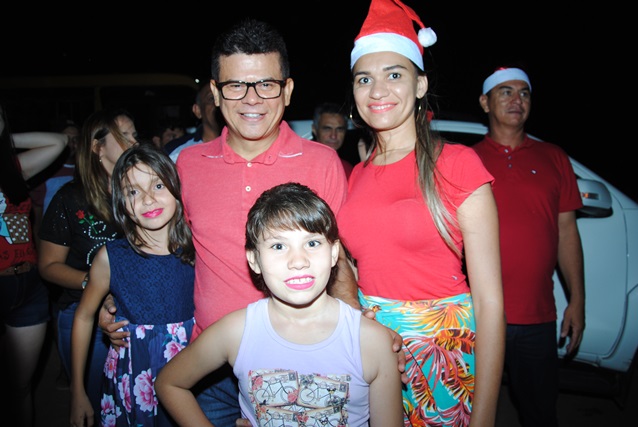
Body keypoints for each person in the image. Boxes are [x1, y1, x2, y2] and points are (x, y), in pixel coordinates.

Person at [99, 18, 405, 427]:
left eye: (266, 84)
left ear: (288, 90)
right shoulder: (187, 164)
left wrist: (357, 326)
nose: (252, 99)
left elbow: (341, 254)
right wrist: (115, 294)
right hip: (208, 366)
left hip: (297, 366)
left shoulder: (323, 162)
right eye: (236, 86)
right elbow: (159, 242)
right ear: (215, 93)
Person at [336, 0, 506, 425]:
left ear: (420, 85)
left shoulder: (458, 164)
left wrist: (484, 416)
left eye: (395, 75)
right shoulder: (356, 176)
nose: (378, 91)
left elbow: (490, 303)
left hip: (443, 357)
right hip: (374, 356)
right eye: (364, 79)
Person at [155, 182, 403, 426]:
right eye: (278, 246)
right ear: (254, 260)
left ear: (333, 253)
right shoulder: (236, 332)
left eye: (312, 243)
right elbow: (169, 383)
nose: (298, 261)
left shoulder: (372, 341)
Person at [472, 66, 585, 427]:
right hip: (475, 316)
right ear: (485, 102)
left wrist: (578, 300)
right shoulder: (466, 160)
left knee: (540, 414)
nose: (516, 100)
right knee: (469, 412)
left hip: (538, 317)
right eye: (505, 92)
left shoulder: (554, 157)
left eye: (524, 93)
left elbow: (567, 232)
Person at [70, 143, 195, 427]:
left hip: (190, 372)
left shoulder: (198, 248)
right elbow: (84, 316)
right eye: (133, 192)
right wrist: (77, 390)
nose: (148, 199)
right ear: (121, 202)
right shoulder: (110, 258)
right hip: (133, 376)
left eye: (158, 186)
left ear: (176, 187)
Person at [38, 108, 138, 424]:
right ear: (97, 147)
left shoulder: (142, 193)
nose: (135, 142)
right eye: (125, 135)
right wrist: (95, 285)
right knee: (93, 403)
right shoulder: (70, 198)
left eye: (135, 134)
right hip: (80, 314)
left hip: (133, 313)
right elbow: (49, 265)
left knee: (132, 403)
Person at [0, 101, 68, 427]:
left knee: (20, 388)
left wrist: (6, 140)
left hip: (28, 286)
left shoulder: (12, 168)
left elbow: (58, 142)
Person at [164, 83, 222, 163]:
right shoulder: (174, 153)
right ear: (198, 110)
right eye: (212, 98)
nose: (219, 104)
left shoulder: (239, 147)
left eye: (222, 98)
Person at [311, 102, 354, 178]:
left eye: (339, 129)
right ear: (314, 129)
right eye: (327, 129)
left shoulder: (348, 169)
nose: (333, 136)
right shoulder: (302, 164)